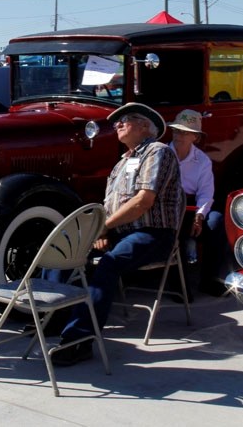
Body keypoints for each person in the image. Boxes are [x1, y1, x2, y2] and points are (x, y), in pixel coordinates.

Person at [51, 102, 182, 367]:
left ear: (145, 126)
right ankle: (50, 320)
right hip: (121, 232)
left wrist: (105, 227)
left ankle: (79, 340)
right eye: (116, 122)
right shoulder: (123, 161)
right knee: (64, 249)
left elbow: (144, 201)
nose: (118, 124)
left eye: (126, 119)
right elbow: (110, 205)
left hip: (153, 234)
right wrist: (102, 230)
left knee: (108, 267)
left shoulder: (157, 152)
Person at [167, 109, 230, 298]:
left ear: (195, 137)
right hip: (167, 206)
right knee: (175, 230)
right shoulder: (161, 154)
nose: (179, 135)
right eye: (176, 131)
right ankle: (180, 286)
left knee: (216, 222)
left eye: (184, 132)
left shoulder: (202, 160)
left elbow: (206, 192)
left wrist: (200, 216)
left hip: (192, 206)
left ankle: (210, 279)